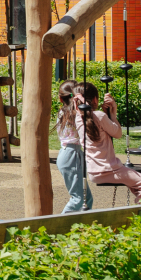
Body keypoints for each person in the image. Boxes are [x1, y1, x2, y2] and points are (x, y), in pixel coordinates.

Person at [75, 81, 141, 204]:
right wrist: (113, 114)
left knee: (137, 185)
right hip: (109, 170)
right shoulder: (100, 116)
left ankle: (139, 209)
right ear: (95, 99)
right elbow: (118, 134)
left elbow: (95, 121)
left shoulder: (78, 118)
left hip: (94, 171)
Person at [56, 80, 92, 213]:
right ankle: (60, 223)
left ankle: (82, 224)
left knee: (87, 199)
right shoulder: (74, 114)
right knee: (79, 199)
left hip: (67, 153)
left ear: (60, 98)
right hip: (72, 154)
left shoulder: (63, 112)